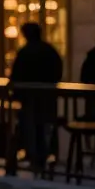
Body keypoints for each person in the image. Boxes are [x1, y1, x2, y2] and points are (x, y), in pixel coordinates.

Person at [10, 22, 63, 174]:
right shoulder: (49, 51)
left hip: (29, 99)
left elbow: (17, 75)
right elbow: (57, 71)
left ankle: (35, 158)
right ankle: (47, 157)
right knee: (45, 127)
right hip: (47, 98)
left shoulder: (25, 52)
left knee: (31, 127)